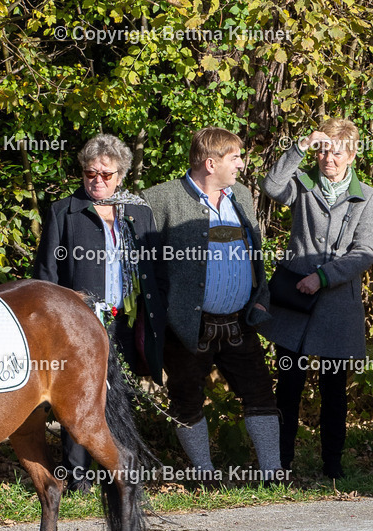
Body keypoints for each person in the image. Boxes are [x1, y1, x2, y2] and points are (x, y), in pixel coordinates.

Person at [142, 127, 281, 482]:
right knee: (186, 400)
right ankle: (204, 475)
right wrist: (163, 314)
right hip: (188, 326)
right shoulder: (162, 199)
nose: (241, 164)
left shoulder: (242, 197)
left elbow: (255, 254)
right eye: (234, 157)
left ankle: (273, 474)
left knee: (261, 395)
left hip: (240, 321)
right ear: (210, 162)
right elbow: (138, 255)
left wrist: (260, 300)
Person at [34, 134, 166, 493]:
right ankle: (77, 479)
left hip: (125, 320)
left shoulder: (139, 212)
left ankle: (118, 474)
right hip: (78, 326)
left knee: (118, 398)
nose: (97, 180)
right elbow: (45, 275)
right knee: (77, 400)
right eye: (90, 173)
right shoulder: (65, 211)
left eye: (106, 175)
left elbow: (152, 272)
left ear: (120, 175)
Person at [258, 119, 373, 478]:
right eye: (324, 150)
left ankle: (333, 467)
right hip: (294, 303)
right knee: (288, 385)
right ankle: (282, 464)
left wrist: (322, 277)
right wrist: (301, 146)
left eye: (337, 152)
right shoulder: (303, 184)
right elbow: (271, 184)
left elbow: (365, 252)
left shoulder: (367, 195)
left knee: (333, 389)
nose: (329, 158)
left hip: (338, 305)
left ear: (352, 154)